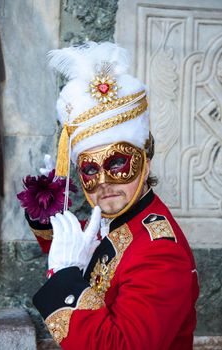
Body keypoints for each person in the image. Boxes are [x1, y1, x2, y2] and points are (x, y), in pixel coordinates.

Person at [31, 42, 199, 350]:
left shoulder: (160, 253)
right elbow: (81, 243)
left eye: (118, 163)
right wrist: (45, 208)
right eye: (90, 169)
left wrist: (67, 278)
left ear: (144, 163)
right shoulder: (118, 219)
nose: (104, 182)